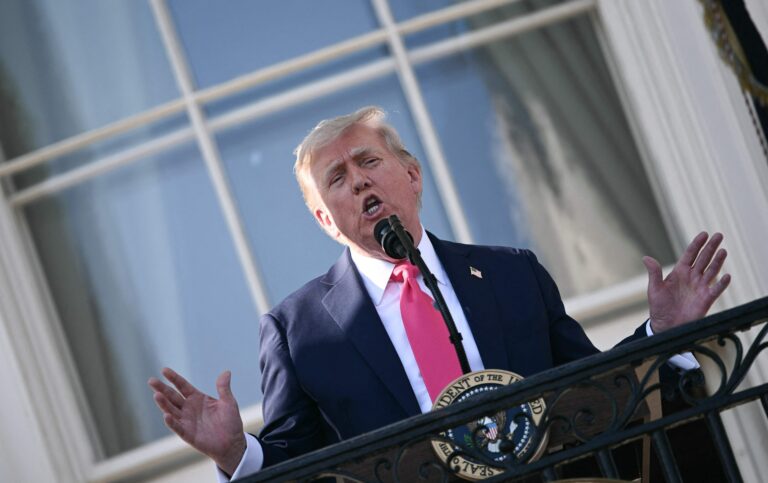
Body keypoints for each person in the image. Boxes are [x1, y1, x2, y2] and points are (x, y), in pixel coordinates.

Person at [148, 106, 731, 480]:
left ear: (411, 175)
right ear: (327, 220)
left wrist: (660, 337)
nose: (359, 180)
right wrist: (235, 453)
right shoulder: (297, 330)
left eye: (368, 161)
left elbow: (590, 389)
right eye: (338, 180)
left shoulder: (512, 274)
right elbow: (298, 464)